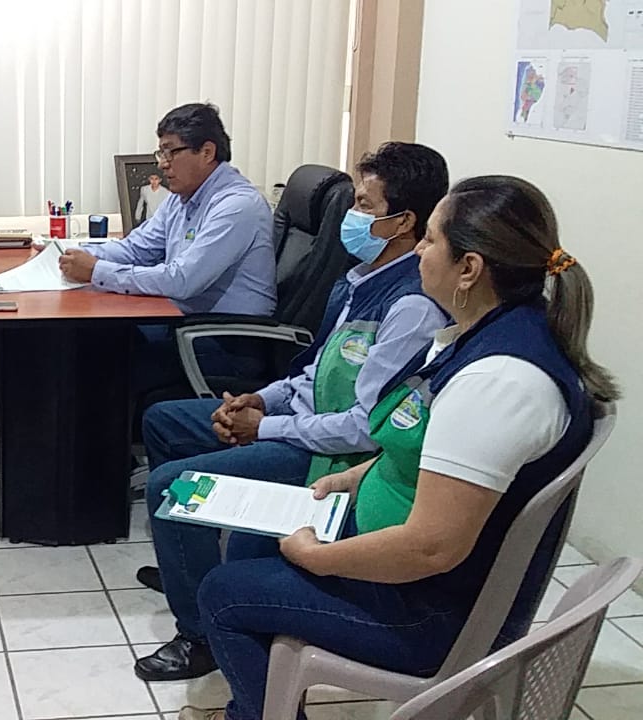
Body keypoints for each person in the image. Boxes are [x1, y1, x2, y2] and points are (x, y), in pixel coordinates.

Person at [178, 175, 618, 720]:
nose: (419, 252)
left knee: (224, 594)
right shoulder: (490, 330)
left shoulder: (499, 383)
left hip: (427, 612)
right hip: (400, 555)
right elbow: (420, 443)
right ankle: (266, 700)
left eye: (430, 239)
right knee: (251, 540)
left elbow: (431, 549)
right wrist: (355, 476)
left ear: (469, 268)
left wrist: (317, 557)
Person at [133, 142, 451, 683]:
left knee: (169, 486)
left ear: (404, 223)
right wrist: (261, 399)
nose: (351, 215)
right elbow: (316, 370)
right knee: (163, 420)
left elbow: (365, 427)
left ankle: (200, 636)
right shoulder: (360, 279)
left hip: (328, 457)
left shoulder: (411, 308)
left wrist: (265, 427)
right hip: (295, 419)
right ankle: (190, 562)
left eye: (365, 205)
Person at [58, 102, 276, 387]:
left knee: (104, 352)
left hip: (226, 343)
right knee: (92, 336)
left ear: (207, 152)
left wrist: (96, 270)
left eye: (171, 152)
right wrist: (69, 253)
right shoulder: (181, 197)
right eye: (161, 152)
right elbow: (136, 249)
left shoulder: (237, 206)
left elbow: (182, 281)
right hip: (184, 322)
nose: (162, 163)